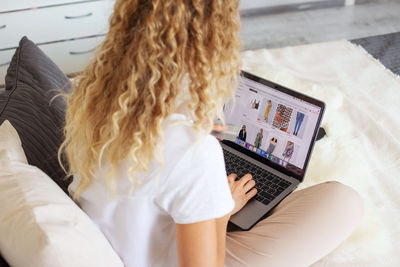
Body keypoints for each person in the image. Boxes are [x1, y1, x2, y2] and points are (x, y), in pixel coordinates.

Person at [59, 1, 363, 266]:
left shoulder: (97, 101)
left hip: (132, 242)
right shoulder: (194, 152)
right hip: (173, 257)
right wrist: (222, 212)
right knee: (342, 201)